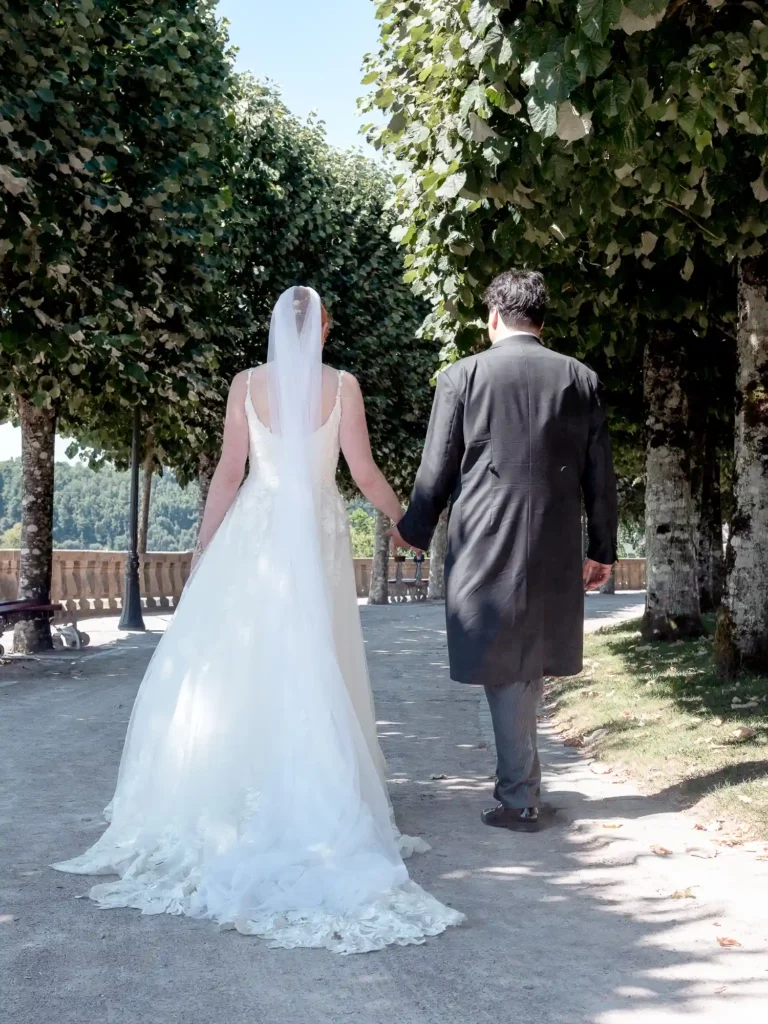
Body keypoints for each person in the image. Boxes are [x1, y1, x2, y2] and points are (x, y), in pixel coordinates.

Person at [53, 286, 463, 953]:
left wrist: (203, 547)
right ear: (323, 328)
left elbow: (227, 473)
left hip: (257, 530)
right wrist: (406, 524)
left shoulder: (245, 384)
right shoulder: (343, 387)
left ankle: (245, 780)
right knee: (316, 656)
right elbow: (361, 472)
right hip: (319, 532)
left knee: (249, 659)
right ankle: (317, 783)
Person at [389, 269, 618, 833]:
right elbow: (601, 476)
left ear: (493, 317)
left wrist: (412, 528)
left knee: (506, 658)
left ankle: (520, 797)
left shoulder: (461, 376)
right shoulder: (580, 379)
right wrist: (603, 550)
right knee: (525, 657)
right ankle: (524, 784)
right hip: (556, 540)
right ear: (541, 319)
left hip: (486, 538)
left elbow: (436, 468)